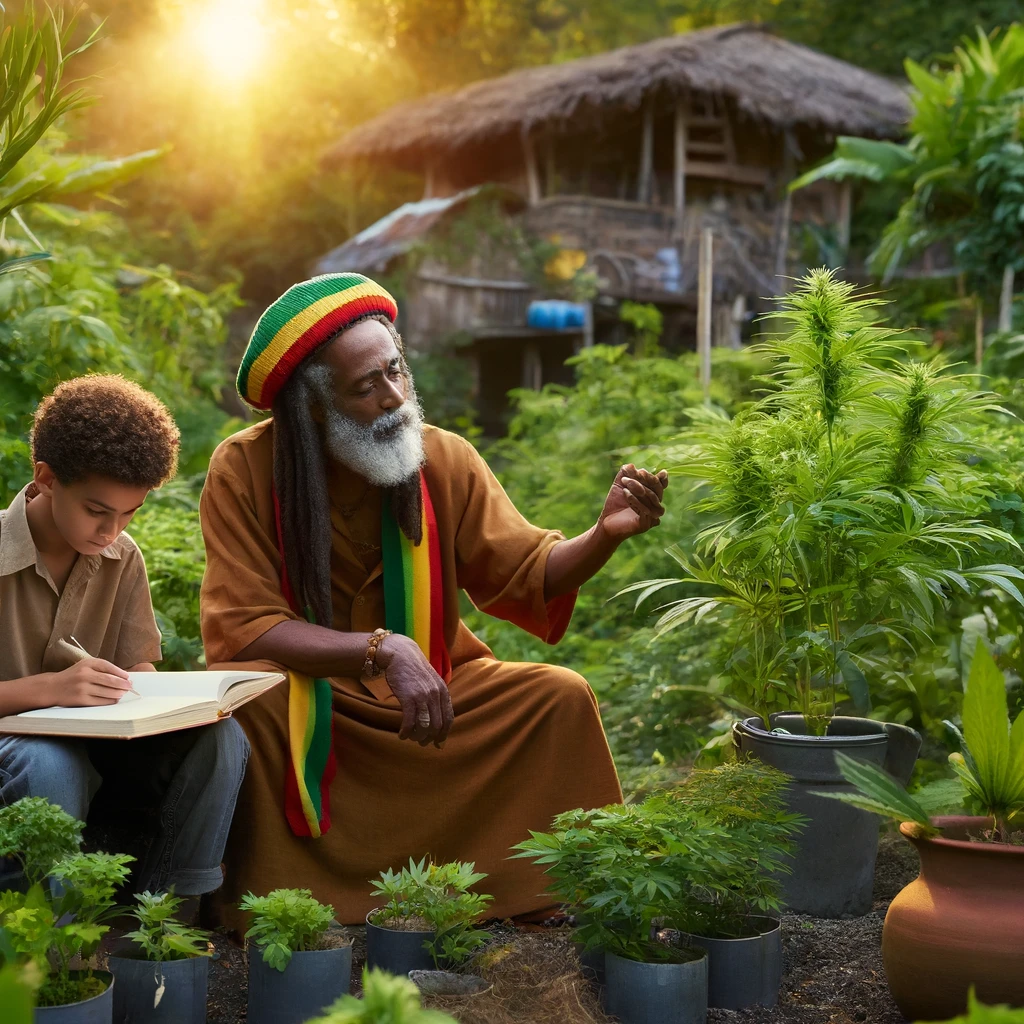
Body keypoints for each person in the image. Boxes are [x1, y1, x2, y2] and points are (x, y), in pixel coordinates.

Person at [199, 273, 668, 928]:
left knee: (558, 698)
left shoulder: (444, 457)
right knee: (246, 708)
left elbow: (527, 569)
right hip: (314, 694)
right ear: (314, 405)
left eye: (396, 371)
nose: (394, 397)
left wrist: (603, 534)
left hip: (437, 691)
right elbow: (245, 628)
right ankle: (288, 906)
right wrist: (380, 650)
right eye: (367, 386)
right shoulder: (243, 470)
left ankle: (545, 882)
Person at [0, 376, 249, 899]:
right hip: (21, 757)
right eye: (96, 511)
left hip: (97, 747)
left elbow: (139, 671)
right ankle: (56, 946)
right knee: (48, 762)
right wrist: (50, 689)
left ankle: (167, 917)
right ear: (46, 478)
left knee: (223, 739)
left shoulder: (122, 556)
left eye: (129, 513)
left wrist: (163, 704)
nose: (111, 531)